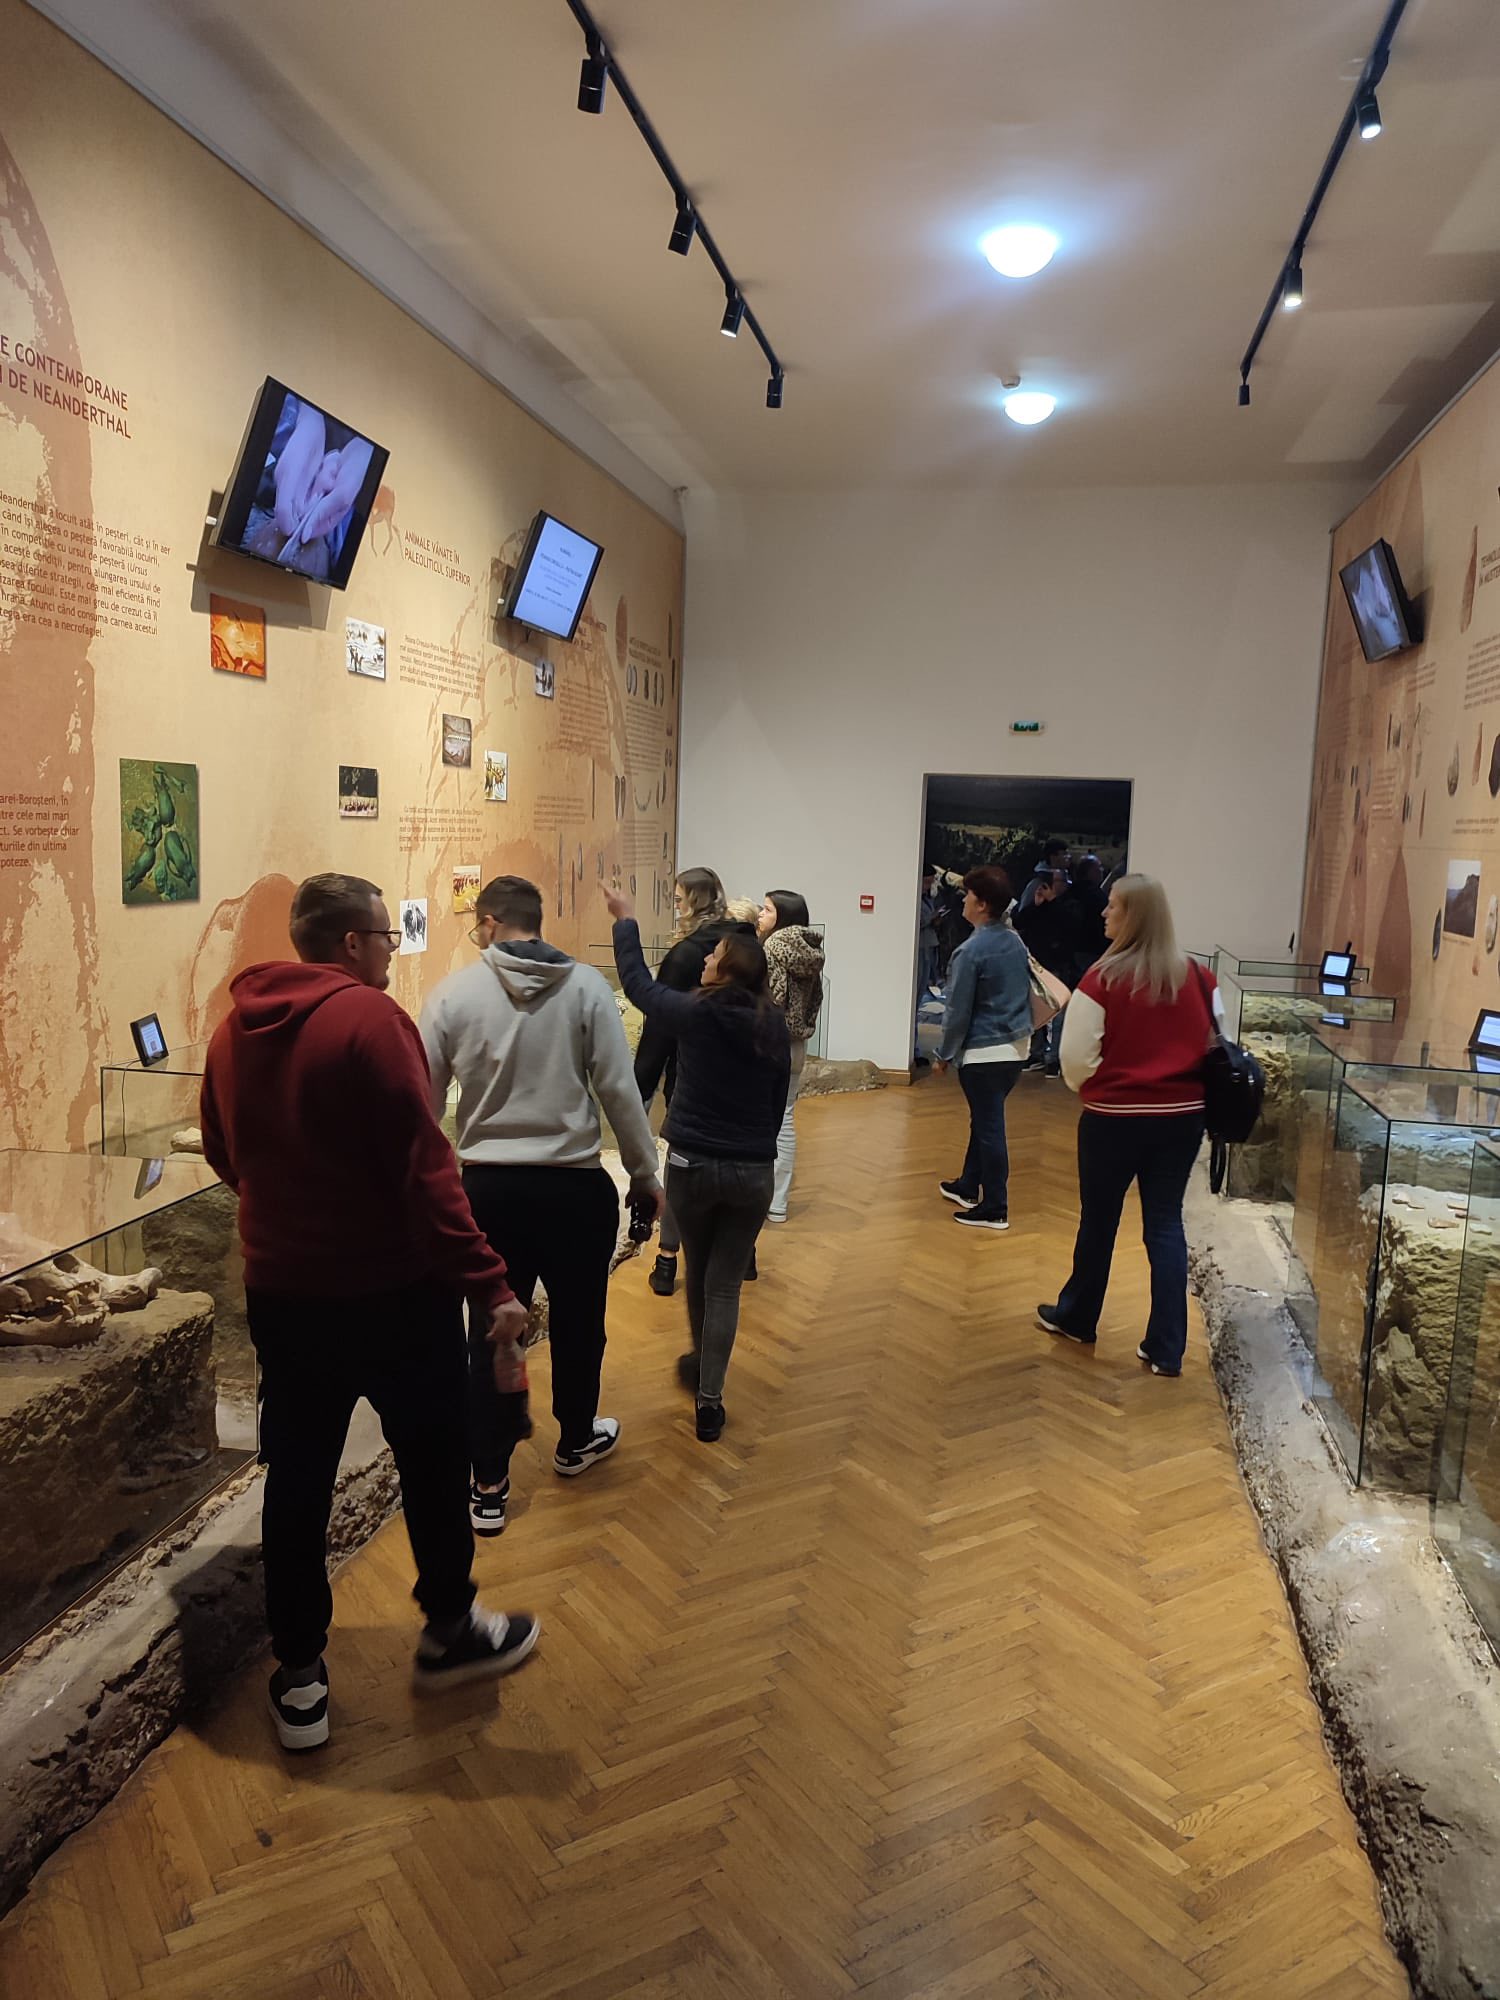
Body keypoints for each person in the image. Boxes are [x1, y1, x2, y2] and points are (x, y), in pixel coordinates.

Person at [198, 873, 540, 1751]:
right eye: (386, 936)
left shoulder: (232, 1031)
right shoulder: (371, 1021)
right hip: (394, 1293)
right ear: (352, 942)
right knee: (432, 1462)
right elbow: (427, 1172)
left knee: (297, 1477)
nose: (392, 949)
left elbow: (224, 1154)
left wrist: (291, 1215)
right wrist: (491, 1283)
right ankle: (451, 1628)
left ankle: (300, 1677)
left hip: (284, 1294)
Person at [420, 875, 665, 1537]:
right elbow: (618, 1090)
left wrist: (430, 1187)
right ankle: (575, 1439)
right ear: (537, 919)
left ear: (490, 922)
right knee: (582, 1324)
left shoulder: (452, 994)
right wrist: (645, 1174)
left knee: (491, 1332)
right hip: (572, 1187)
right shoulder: (585, 988)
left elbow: (423, 1103)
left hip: (488, 1192)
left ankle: (488, 1484)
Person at [607, 883, 790, 1440]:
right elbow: (776, 1103)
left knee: (698, 1273)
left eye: (715, 955)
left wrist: (625, 920)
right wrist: (755, 1149)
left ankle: (700, 1364)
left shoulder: (695, 1012)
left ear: (726, 971)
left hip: (692, 1163)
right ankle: (710, 1399)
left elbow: (638, 985)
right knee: (725, 1285)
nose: (706, 958)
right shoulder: (772, 1023)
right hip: (752, 1171)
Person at [1036, 873, 1222, 1376]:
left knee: (1099, 1221)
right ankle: (1167, 1346)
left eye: (1113, 905)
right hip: (1181, 1120)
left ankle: (1078, 1316)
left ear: (1134, 916)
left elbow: (1075, 1059)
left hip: (1113, 1121)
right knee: (1165, 1223)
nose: (1104, 912)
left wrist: (1099, 1088)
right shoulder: (1200, 978)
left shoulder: (1102, 979)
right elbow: (1217, 1046)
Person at [634, 867, 736, 1298]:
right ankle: (741, 1253)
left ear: (695, 901)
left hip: (692, 1078)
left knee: (681, 1167)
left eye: (679, 899)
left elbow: (660, 1024)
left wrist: (641, 1084)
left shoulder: (687, 955)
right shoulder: (744, 943)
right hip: (737, 1078)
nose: (675, 906)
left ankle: (667, 1259)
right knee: (730, 1164)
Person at [933, 866, 1033, 1231]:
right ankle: (967, 1185)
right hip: (1015, 1049)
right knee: (985, 1119)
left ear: (983, 904)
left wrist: (944, 1054)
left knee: (990, 1127)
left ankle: (995, 1206)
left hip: (984, 1053)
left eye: (969, 895)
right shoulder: (1015, 942)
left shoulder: (971, 951)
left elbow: (957, 1012)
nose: (964, 900)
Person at [757, 890, 826, 1222]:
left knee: (763, 1119)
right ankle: (778, 1202)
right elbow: (817, 999)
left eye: (767, 909)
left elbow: (774, 997)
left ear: (782, 916)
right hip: (797, 1044)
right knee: (784, 1119)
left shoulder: (772, 947)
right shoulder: (811, 949)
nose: (761, 914)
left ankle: (759, 1197)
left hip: (771, 1043)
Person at [1014, 870, 1084, 1075]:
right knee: (1035, 1011)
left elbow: (1071, 926)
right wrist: (1036, 904)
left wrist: (1053, 901)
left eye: (1056, 882)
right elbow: (1020, 922)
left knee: (1058, 1013)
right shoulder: (1038, 907)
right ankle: (1036, 1053)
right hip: (1036, 965)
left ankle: (1054, 1058)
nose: (1048, 887)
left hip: (1058, 965)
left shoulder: (1070, 904)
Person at [1015, 838, 1071, 915]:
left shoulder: (1067, 877)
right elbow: (1023, 910)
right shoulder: (1038, 881)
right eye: (1064, 854)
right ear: (1053, 857)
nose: (1069, 857)